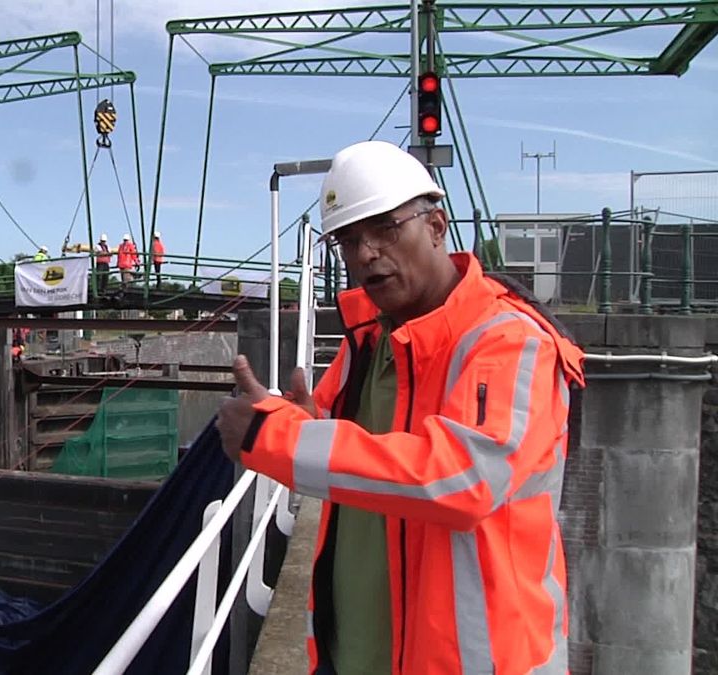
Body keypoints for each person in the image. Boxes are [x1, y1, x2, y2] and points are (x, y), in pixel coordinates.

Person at [215, 140, 585, 675]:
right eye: (348, 239)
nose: (365, 253)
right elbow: (368, 453)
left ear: (436, 226)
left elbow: (463, 480)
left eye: (386, 228)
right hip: (356, 651)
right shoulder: (368, 337)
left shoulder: (510, 342)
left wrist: (278, 439)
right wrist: (306, 423)